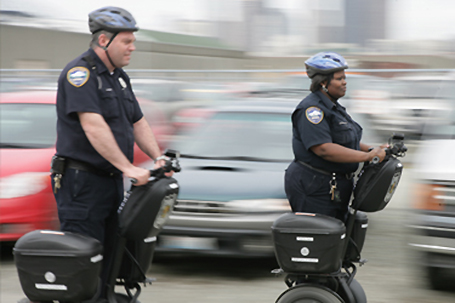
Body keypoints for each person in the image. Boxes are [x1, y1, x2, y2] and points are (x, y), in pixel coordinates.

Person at [50, 6, 166, 301]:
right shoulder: (80, 74)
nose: (132, 47)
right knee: (85, 264)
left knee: (110, 262)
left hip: (110, 182)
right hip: (82, 183)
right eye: (127, 41)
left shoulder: (120, 77)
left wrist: (158, 157)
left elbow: (137, 121)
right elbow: (93, 125)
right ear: (104, 40)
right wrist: (129, 168)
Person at [284, 52, 386, 221]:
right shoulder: (312, 111)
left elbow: (345, 140)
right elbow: (324, 148)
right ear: (323, 82)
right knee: (320, 239)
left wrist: (373, 149)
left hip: (336, 186)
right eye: (339, 79)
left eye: (344, 78)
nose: (344, 82)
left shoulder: (335, 108)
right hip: (315, 187)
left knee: (338, 239)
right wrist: (367, 156)